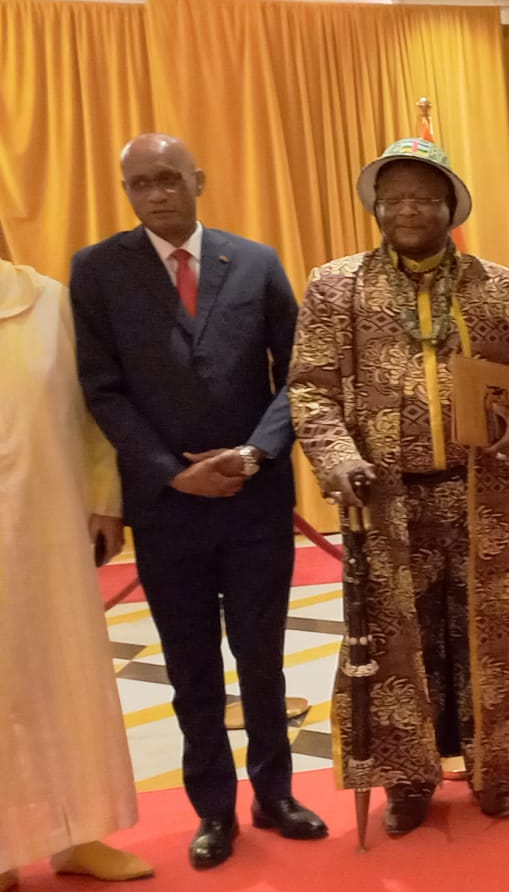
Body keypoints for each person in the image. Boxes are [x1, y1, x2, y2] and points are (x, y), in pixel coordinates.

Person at [291, 137, 509, 833]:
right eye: (394, 199)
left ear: (451, 208)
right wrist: (338, 457)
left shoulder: (503, 288)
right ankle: (407, 780)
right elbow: (310, 387)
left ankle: (494, 768)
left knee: (493, 636)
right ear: (376, 208)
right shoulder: (336, 287)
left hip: (487, 496)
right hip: (385, 501)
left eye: (423, 198)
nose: (408, 210)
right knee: (396, 644)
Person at [71, 133, 326, 869]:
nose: (156, 194)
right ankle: (213, 809)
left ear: (198, 180)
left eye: (168, 178)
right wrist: (166, 472)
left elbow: (300, 373)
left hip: (253, 497)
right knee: (190, 667)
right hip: (168, 506)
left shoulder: (255, 262)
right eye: (140, 183)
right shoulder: (97, 270)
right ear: (127, 191)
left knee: (261, 657)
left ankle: (275, 794)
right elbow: (101, 389)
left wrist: (255, 452)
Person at [0, 258, 153, 888]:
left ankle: (79, 834)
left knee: (65, 677)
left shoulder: (49, 303)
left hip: (49, 523)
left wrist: (105, 501)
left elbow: (91, 415)